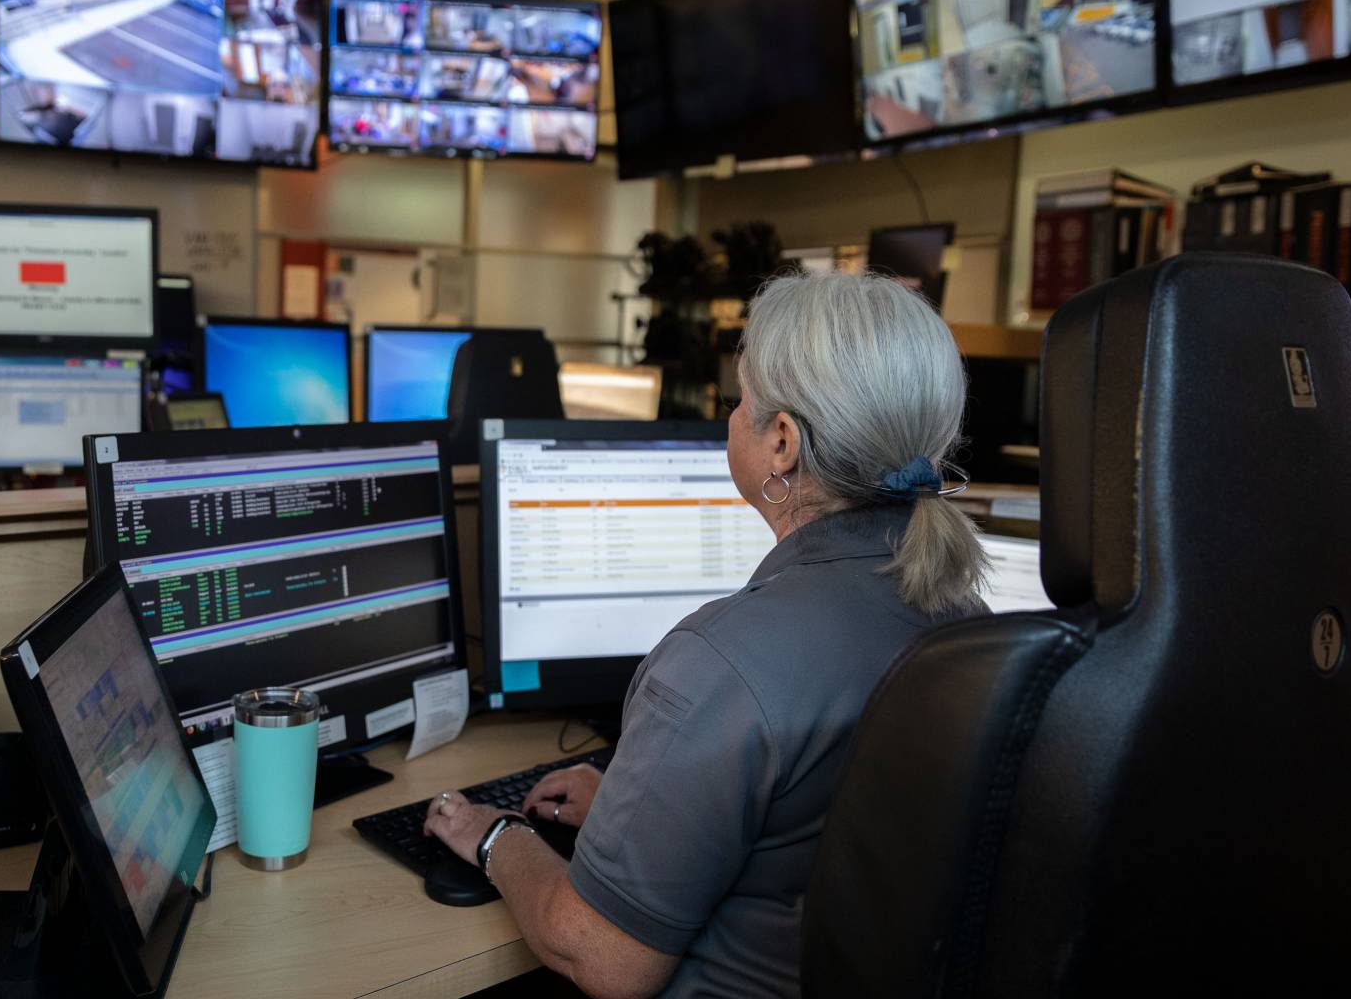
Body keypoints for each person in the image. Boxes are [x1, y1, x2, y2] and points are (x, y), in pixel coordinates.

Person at [423, 270, 989, 998]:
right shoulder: (970, 623)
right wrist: (641, 816)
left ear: (781, 442)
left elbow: (600, 957)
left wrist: (499, 839)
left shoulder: (721, 663)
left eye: (739, 398)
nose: (729, 415)